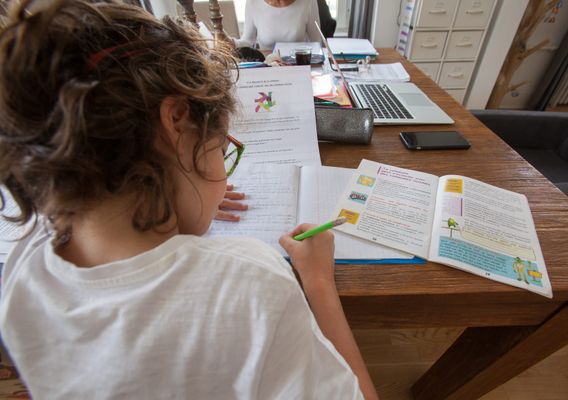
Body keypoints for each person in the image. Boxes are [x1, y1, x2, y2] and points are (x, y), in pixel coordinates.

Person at [0, 0, 379, 399]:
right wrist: (319, 282)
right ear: (177, 122)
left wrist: (184, 193)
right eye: (221, 149)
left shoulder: (25, 269)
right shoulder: (253, 284)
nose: (222, 171)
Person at [234, 0, 322, 50]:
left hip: (299, 66)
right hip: (267, 68)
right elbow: (248, 41)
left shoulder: (308, 2)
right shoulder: (253, 3)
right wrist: (231, 42)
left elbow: (316, 42)